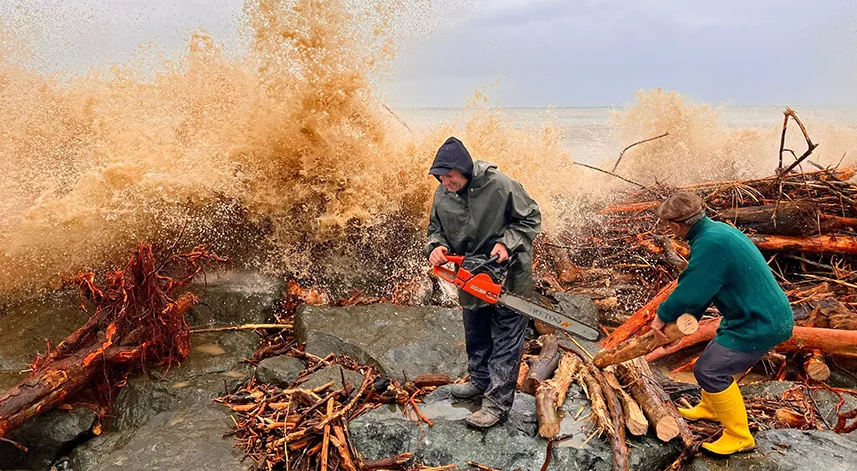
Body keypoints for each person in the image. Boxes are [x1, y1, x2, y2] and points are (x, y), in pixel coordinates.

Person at [651, 192, 793, 455]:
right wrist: (686, 320)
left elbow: (691, 288)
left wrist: (663, 315)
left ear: (678, 224)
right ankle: (711, 408)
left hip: (760, 322)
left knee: (710, 370)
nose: (668, 229)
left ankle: (740, 436)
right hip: (750, 316)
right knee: (715, 353)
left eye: (668, 224)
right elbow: (706, 287)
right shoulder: (715, 233)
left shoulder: (711, 244)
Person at [425, 136, 541, 429]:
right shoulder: (443, 194)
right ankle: (479, 380)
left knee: (506, 338)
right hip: (472, 274)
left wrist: (507, 243)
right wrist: (435, 247)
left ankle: (497, 405)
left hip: (510, 273)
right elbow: (434, 229)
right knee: (475, 328)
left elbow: (531, 219)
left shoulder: (500, 185)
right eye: (441, 178)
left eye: (449, 177)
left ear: (463, 170)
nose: (445, 182)